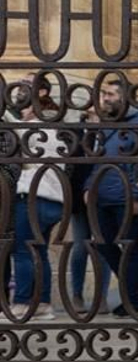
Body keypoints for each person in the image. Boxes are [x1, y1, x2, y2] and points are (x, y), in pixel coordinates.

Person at [79, 76, 138, 316]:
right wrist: (89, 187)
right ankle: (134, 294)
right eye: (104, 95)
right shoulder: (105, 122)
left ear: (125, 97)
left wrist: (135, 196)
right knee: (104, 245)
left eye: (110, 94)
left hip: (125, 198)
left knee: (130, 248)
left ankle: (133, 301)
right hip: (100, 197)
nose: (105, 99)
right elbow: (96, 159)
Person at [7, 83, 69, 319]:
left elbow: (11, 130)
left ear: (34, 109)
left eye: (24, 108)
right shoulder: (58, 132)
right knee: (39, 252)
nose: (20, 113)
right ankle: (43, 302)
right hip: (55, 201)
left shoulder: (32, 130)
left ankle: (22, 302)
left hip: (33, 198)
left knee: (23, 252)